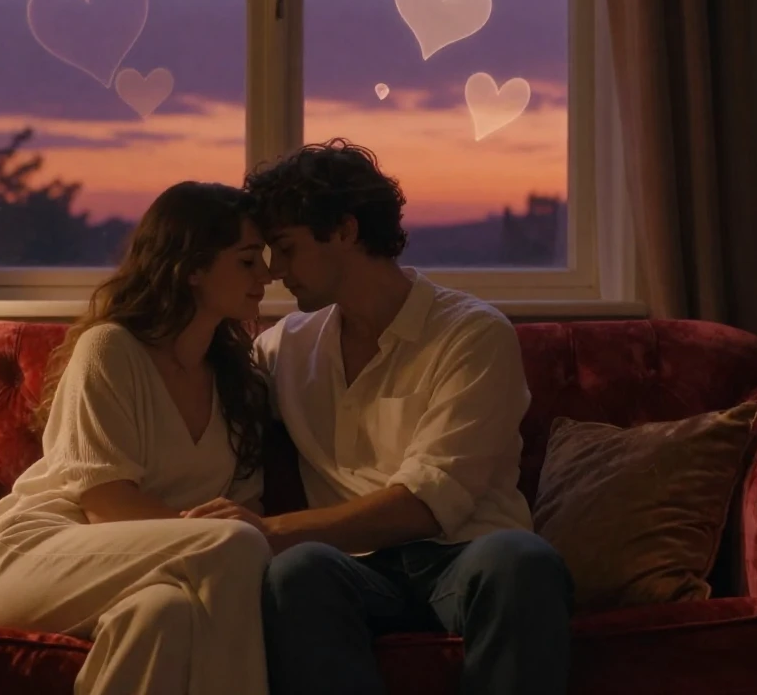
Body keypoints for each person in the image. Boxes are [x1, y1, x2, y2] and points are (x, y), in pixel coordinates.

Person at [240, 139, 574, 695]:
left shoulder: (471, 333)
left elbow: (428, 503)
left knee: (522, 560)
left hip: (464, 554)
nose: (275, 272)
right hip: (355, 568)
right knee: (297, 572)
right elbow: (207, 396)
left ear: (345, 231)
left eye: (287, 248)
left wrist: (271, 531)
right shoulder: (286, 346)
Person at [0, 181, 276, 695]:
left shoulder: (238, 382)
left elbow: (241, 507)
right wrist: (212, 535)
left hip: (155, 572)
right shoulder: (110, 350)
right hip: (40, 556)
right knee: (238, 544)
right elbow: (107, 506)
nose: (266, 274)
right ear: (193, 267)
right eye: (248, 260)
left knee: (165, 614)